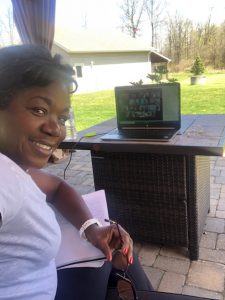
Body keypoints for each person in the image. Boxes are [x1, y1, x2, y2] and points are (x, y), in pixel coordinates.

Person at [0, 44, 153, 300]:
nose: (55, 129)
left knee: (119, 256)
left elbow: (57, 188)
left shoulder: (16, 168)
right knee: (120, 262)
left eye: (61, 118)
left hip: (46, 275)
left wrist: (92, 229)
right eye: (39, 109)